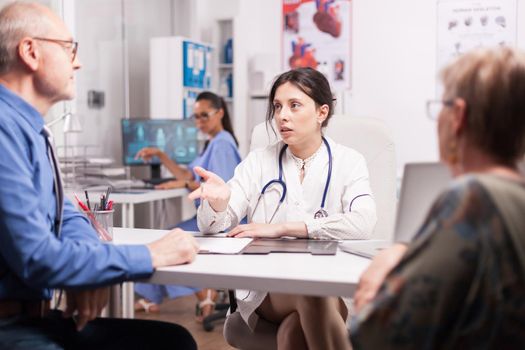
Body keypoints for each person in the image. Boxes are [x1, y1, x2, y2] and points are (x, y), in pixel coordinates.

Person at [0, 2, 199, 349]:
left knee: (173, 340)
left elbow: (68, 214)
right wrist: (152, 255)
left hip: (34, 315)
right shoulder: (4, 130)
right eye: (68, 48)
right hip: (10, 328)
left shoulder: (30, 129)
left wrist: (87, 271)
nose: (78, 61)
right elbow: (37, 258)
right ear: (30, 52)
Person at [189, 67, 377, 350]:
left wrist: (284, 228)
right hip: (268, 290)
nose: (282, 115)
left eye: (294, 105)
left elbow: (363, 222)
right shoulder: (258, 162)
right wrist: (218, 203)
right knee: (312, 291)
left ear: (321, 113)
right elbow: (213, 226)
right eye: (277, 107)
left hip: (331, 286)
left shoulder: (349, 162)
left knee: (292, 334)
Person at [351, 47, 525, 348]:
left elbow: (376, 336)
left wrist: (383, 268)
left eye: (441, 106)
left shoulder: (472, 200)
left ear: (458, 115)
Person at [134, 91, 241, 319]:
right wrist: (161, 155)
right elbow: (186, 173)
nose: (199, 122)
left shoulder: (222, 144)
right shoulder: (211, 143)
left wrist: (182, 183)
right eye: (196, 117)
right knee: (166, 237)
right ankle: (193, 296)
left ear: (220, 112)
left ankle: (204, 295)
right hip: (205, 218)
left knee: (169, 238)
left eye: (205, 115)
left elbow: (217, 192)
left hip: (220, 222)